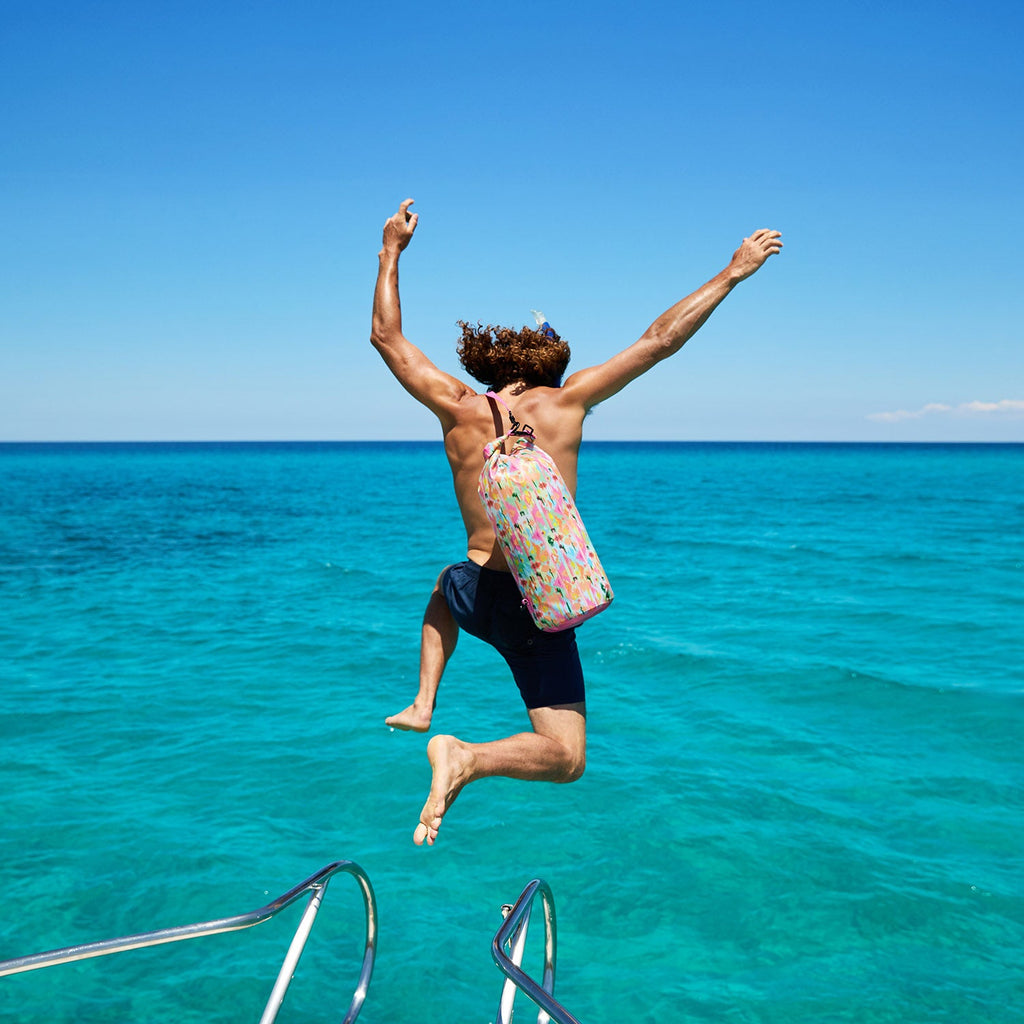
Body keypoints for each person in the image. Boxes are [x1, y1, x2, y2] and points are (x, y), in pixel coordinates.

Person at [370, 198, 781, 845]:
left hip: (476, 593)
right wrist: (733, 272)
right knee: (566, 757)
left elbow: (386, 339)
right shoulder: (568, 403)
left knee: (446, 583)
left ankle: (424, 702)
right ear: (550, 364)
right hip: (536, 607)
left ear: (489, 367)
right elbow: (660, 340)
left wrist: (391, 250)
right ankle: (467, 757)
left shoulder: (456, 404)